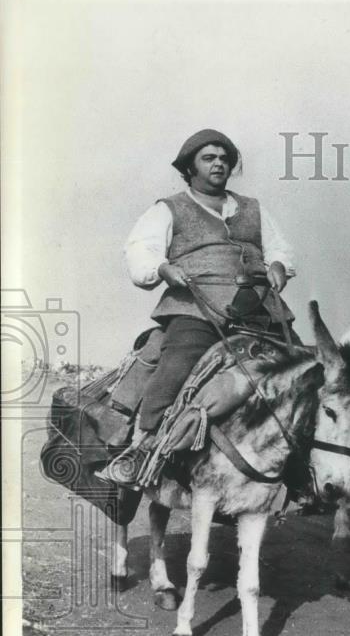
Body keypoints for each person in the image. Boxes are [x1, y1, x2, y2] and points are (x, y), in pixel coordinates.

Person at [99, 129, 297, 486]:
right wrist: (162, 268)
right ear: (189, 168)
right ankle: (143, 448)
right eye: (209, 158)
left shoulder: (253, 208)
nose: (219, 163)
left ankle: (302, 468)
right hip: (197, 307)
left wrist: (279, 265)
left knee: (302, 371)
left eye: (224, 158)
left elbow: (279, 248)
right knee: (177, 366)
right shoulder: (169, 208)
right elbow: (140, 250)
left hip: (262, 307)